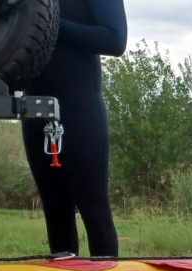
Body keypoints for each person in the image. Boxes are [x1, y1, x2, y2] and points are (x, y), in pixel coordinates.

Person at [22, 0, 127, 257]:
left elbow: (115, 40)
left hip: (81, 106)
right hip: (35, 107)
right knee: (55, 208)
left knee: (93, 206)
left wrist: (49, 25)